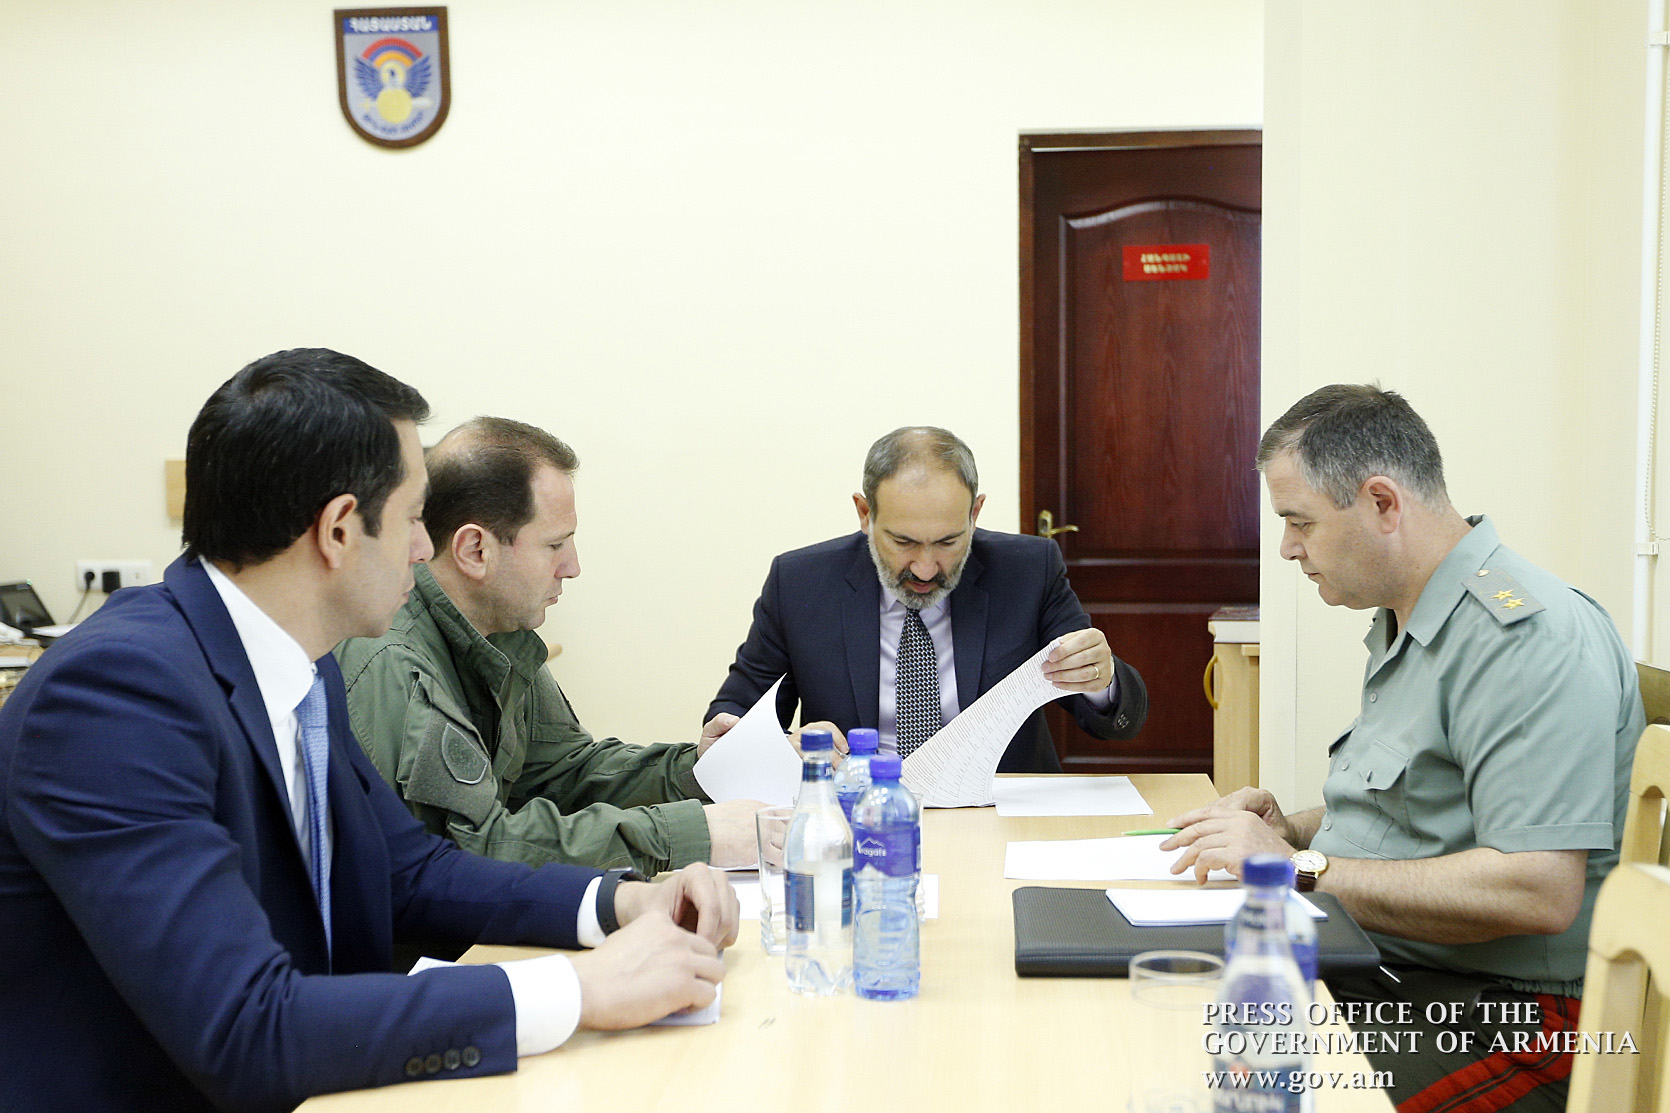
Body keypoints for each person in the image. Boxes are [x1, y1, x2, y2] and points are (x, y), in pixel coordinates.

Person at [0, 350, 739, 1113]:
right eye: (415, 517)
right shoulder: (115, 696)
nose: (424, 548)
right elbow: (247, 1027)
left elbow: (411, 871)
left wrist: (622, 901)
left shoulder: (303, 663)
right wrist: (578, 988)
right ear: (338, 530)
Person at [1163, 384, 1643, 1113]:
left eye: (1300, 522)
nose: (1288, 548)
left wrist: (1297, 868)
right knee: (1158, 1034)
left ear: (1383, 503)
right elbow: (1414, 810)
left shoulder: (1523, 639)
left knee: (1240, 1094)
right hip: (1395, 974)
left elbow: (1539, 887)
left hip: (1513, 1017)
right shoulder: (1413, 617)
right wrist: (1292, 829)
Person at [336, 416, 763, 874]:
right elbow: (471, 856)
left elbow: (563, 774)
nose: (573, 567)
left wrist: (693, 768)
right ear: (475, 550)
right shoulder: (393, 663)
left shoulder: (500, 627)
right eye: (555, 545)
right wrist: (693, 834)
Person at [708, 426, 1147, 773]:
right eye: (903, 542)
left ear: (975, 513)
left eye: (948, 542)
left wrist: (1100, 679)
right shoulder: (800, 583)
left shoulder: (1028, 570)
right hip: (858, 810)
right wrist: (779, 750)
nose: (924, 568)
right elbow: (735, 715)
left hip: (998, 810)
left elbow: (1115, 720)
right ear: (865, 514)